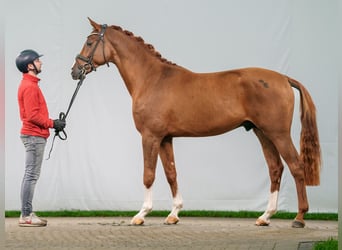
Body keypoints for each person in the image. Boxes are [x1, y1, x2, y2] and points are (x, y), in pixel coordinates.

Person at [15, 49, 66, 227]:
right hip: (34, 136)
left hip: (34, 135)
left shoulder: (31, 84)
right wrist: (53, 123)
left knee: (30, 175)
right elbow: (32, 116)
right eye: (37, 61)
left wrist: (52, 123)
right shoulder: (29, 87)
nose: (41, 63)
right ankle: (26, 215)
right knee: (31, 175)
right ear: (30, 65)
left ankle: (26, 213)